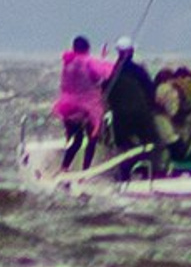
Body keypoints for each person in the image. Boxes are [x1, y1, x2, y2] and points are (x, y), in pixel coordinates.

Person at [103, 39, 161, 173]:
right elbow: (150, 90)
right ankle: (149, 172)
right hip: (141, 113)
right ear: (131, 52)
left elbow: (105, 93)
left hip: (120, 115)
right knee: (152, 142)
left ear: (118, 52)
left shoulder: (111, 71)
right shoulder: (139, 70)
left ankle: (125, 174)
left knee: (123, 145)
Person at [55, 33, 112, 169]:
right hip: (88, 108)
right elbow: (102, 73)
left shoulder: (68, 63)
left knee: (77, 140)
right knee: (92, 139)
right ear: (88, 48)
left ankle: (64, 167)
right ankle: (85, 170)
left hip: (68, 107)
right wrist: (105, 60)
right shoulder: (88, 62)